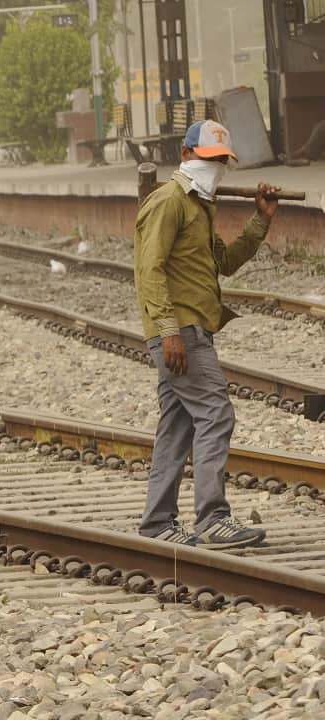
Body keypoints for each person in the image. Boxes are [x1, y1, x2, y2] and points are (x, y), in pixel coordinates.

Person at [134, 119, 280, 550]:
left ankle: (158, 521)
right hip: (179, 332)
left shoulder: (200, 207)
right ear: (185, 154)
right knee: (216, 413)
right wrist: (169, 332)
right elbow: (149, 270)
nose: (213, 168)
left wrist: (260, 220)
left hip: (191, 329)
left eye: (220, 162)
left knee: (177, 427)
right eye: (207, 158)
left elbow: (226, 262)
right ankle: (213, 518)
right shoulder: (168, 202)